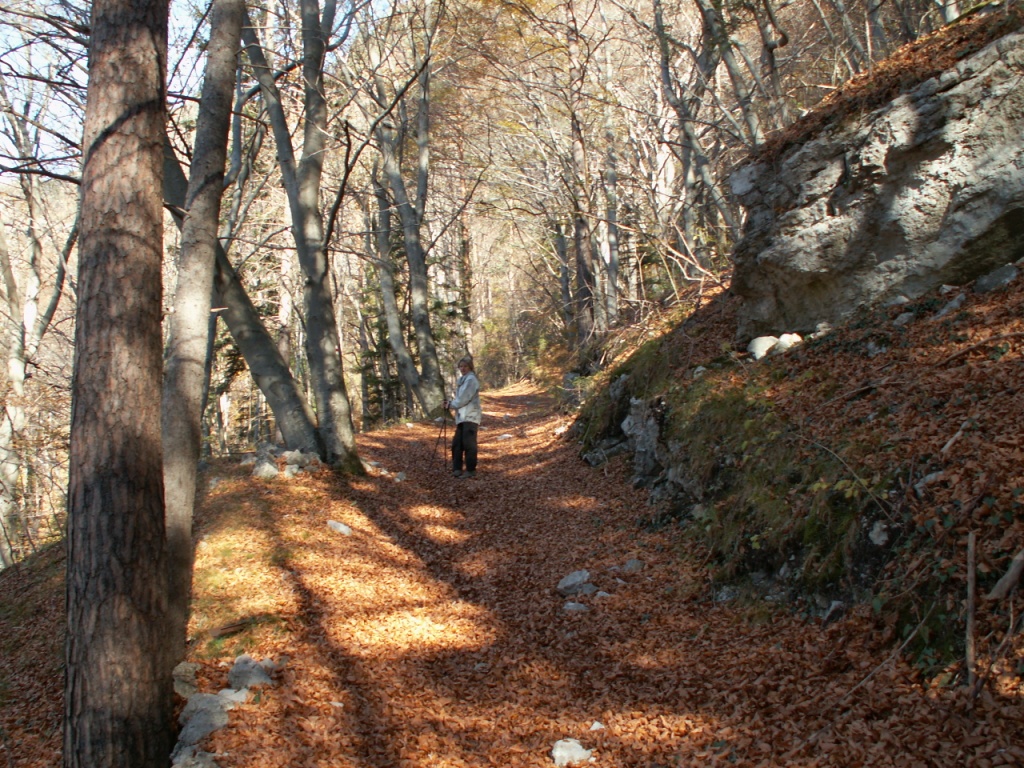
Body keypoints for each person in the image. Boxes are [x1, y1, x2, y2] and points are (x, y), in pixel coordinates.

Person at [443, 355, 481, 478]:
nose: (462, 368)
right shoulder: (463, 380)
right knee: (457, 444)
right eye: (461, 366)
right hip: (462, 417)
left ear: (470, 367)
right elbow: (460, 399)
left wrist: (451, 404)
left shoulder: (471, 380)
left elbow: (463, 399)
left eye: (465, 366)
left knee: (469, 444)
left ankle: (470, 470)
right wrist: (451, 404)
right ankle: (457, 469)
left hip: (470, 416)